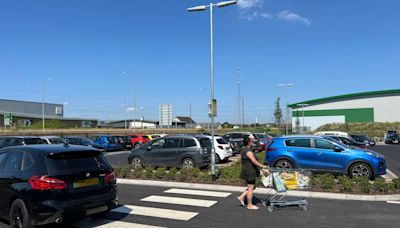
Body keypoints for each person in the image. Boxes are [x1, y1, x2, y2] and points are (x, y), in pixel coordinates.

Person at [237, 136, 268, 210]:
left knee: (252, 186)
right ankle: (249, 205)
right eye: (251, 141)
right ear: (248, 142)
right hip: (250, 171)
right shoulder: (248, 151)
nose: (253, 142)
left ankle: (241, 197)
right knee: (251, 187)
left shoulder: (245, 149)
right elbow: (253, 161)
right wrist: (262, 166)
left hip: (248, 170)